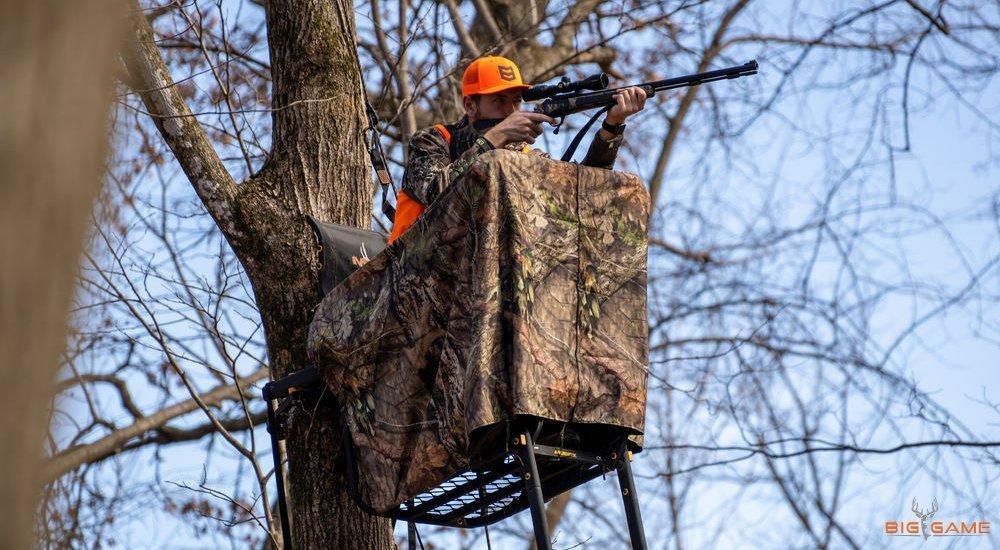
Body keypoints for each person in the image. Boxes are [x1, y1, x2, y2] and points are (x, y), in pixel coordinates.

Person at [388, 55, 647, 243]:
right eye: (500, 101)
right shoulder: (434, 140)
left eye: (515, 102)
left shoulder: (522, 156)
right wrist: (495, 137)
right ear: (470, 106)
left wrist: (612, 125)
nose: (511, 111)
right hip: (414, 272)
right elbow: (436, 193)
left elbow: (583, 193)